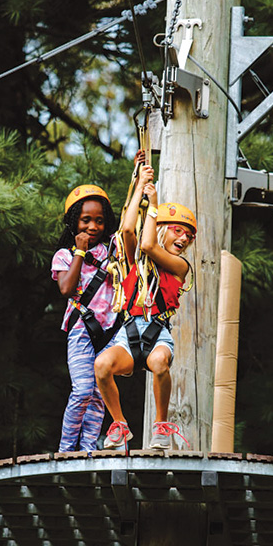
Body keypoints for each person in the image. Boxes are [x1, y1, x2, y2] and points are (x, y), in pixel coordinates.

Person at [94, 168, 196, 451]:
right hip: (128, 334)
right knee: (102, 366)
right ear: (163, 228)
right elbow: (127, 230)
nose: (185, 239)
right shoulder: (133, 263)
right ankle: (119, 425)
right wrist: (140, 186)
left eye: (189, 236)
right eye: (178, 231)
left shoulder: (180, 267)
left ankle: (161, 425)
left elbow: (149, 244)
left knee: (160, 363)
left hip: (157, 334)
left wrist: (153, 204)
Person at [50, 183, 121, 452]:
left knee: (99, 395)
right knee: (82, 390)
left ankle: (89, 447)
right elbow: (66, 289)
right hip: (82, 329)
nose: (93, 226)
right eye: (86, 220)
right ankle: (67, 449)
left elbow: (129, 223)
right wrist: (79, 251)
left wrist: (141, 180)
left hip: (109, 333)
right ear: (74, 222)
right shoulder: (65, 255)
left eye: (100, 221)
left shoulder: (111, 251)